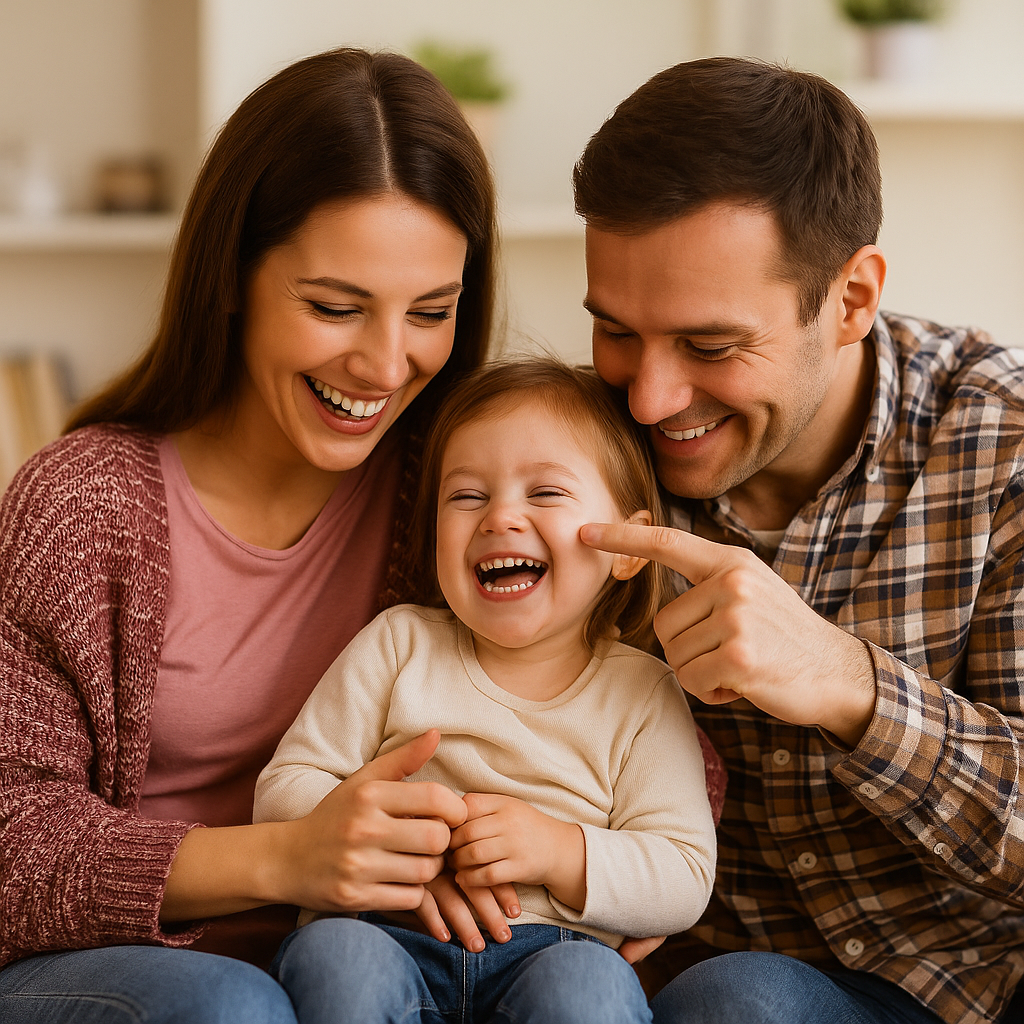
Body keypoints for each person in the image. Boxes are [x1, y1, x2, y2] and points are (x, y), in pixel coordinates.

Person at [0, 47, 502, 1024]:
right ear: (230, 275)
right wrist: (287, 855)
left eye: (430, 313)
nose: (386, 362)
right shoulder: (80, 501)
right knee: (234, 1005)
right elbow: (11, 841)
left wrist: (603, 852)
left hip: (357, 963)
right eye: (334, 306)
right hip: (102, 963)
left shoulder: (459, 489)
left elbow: (613, 685)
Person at [572, 56, 1024, 1024]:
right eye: (615, 331)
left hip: (976, 984)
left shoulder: (1000, 445)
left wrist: (850, 684)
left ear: (851, 298)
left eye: (710, 346)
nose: (648, 399)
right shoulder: (570, 456)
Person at [252, 359, 717, 1024]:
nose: (500, 518)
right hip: (386, 931)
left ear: (628, 547)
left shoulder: (641, 692)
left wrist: (560, 850)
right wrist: (389, 846)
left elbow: (682, 876)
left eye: (546, 494)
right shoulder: (398, 644)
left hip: (550, 949)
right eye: (466, 497)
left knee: (590, 986)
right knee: (335, 957)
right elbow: (282, 790)